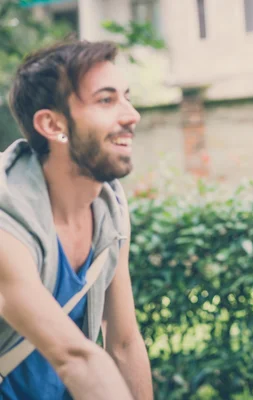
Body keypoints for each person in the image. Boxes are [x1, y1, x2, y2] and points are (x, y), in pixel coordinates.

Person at [0, 40, 152, 399]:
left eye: (126, 97)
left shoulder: (109, 207)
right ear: (53, 125)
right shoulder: (6, 217)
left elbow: (124, 342)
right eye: (106, 100)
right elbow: (75, 357)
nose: (132, 115)